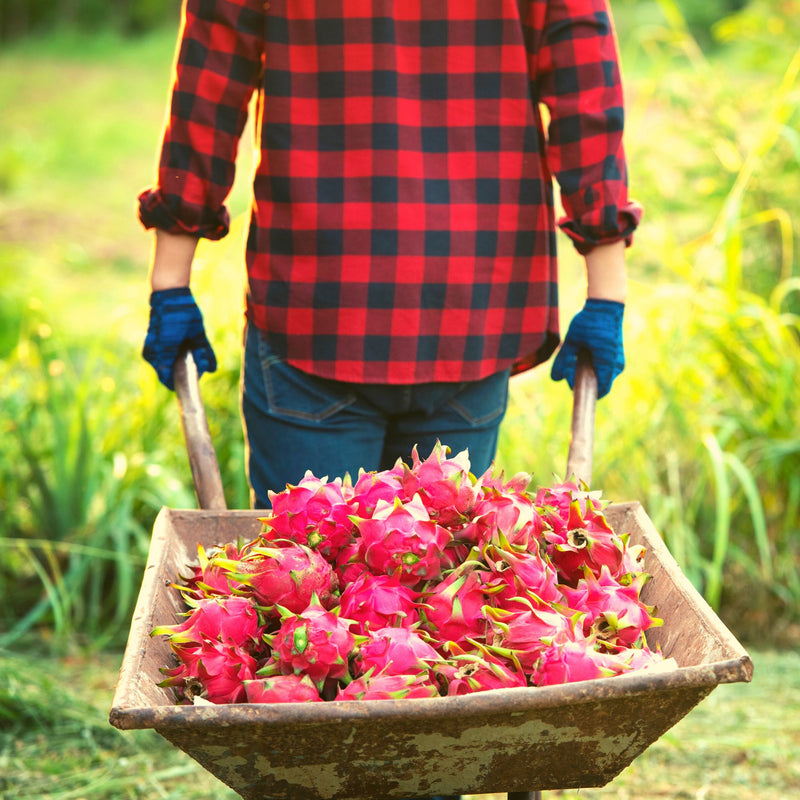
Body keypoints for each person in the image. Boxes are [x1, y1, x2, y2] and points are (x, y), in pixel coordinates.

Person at [141, 0, 641, 513]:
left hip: (318, 307)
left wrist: (171, 283)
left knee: (300, 583)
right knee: (447, 584)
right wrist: (606, 291)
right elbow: (585, 93)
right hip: (471, 311)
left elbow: (208, 92)